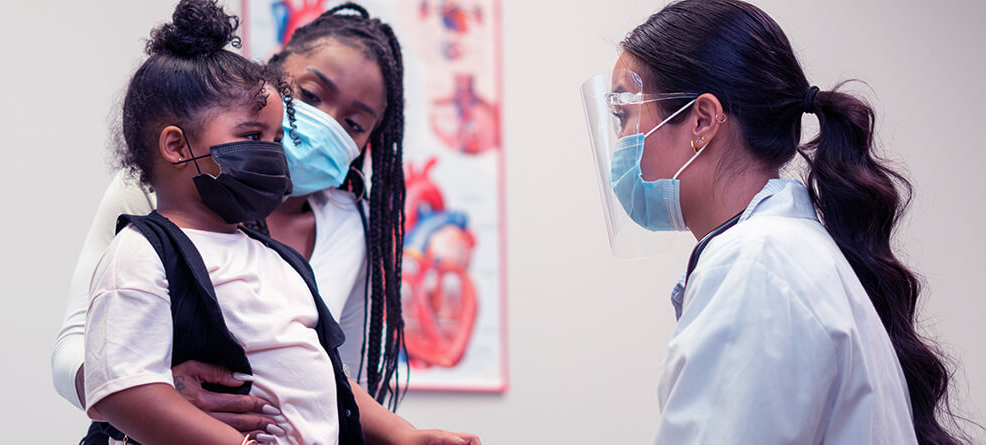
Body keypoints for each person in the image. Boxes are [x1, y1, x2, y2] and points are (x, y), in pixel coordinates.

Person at [64, 1, 480, 444]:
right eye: (252, 137)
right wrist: (167, 396)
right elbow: (115, 381)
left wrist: (404, 435)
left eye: (276, 139)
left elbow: (326, 374)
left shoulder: (280, 262)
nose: (273, 151)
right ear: (176, 147)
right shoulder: (145, 247)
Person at [581, 0, 967, 443]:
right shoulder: (781, 254)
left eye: (624, 115)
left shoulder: (755, 267)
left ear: (702, 121)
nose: (620, 143)